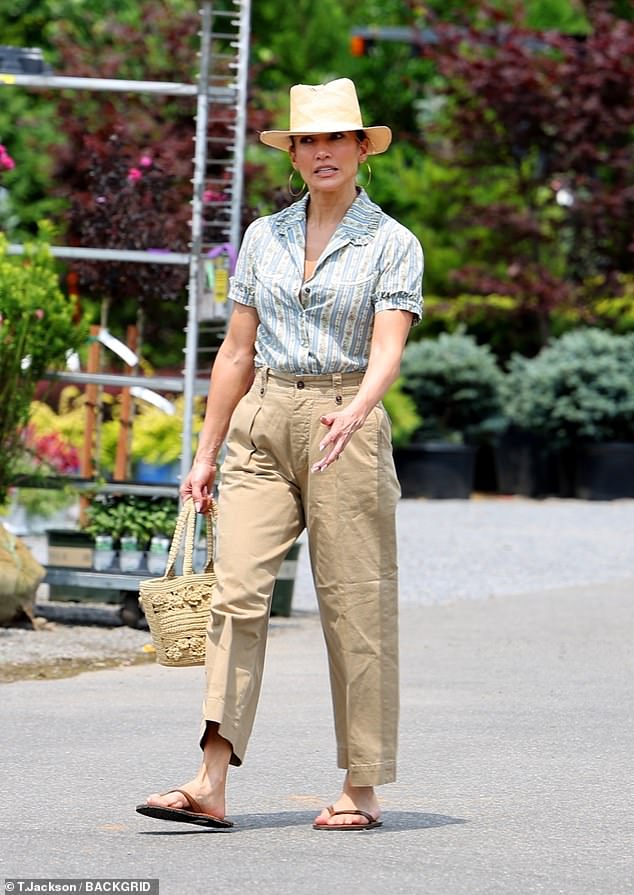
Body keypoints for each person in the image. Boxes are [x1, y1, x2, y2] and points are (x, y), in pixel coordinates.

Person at [136, 77, 424, 831]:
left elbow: (388, 348)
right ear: (292, 153)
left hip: (344, 420)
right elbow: (235, 350)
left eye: (337, 138)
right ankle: (209, 777)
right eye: (309, 140)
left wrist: (357, 409)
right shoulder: (264, 236)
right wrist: (202, 453)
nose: (322, 152)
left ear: (363, 149)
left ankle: (361, 785)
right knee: (234, 595)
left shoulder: (393, 243)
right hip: (261, 420)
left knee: (354, 605)